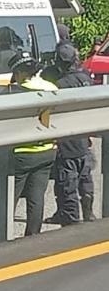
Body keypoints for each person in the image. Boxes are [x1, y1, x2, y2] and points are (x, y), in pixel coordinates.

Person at [4, 51, 58, 236]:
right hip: (47, 150)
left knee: (10, 197)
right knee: (36, 198)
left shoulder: (14, 92)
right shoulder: (51, 87)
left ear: (18, 73)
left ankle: (2, 235)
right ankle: (32, 237)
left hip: (21, 153)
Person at [43, 44, 96, 224]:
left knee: (67, 183)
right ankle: (89, 214)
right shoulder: (86, 78)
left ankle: (71, 221)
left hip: (67, 140)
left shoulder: (60, 85)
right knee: (85, 178)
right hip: (84, 136)